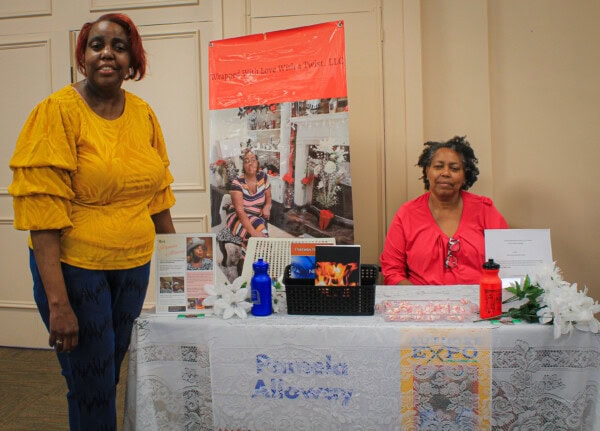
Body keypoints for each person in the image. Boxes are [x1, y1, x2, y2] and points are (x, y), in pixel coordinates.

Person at [7, 13, 176, 431]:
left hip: (133, 266)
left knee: (107, 373)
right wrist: (59, 305)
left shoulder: (143, 114)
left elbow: (158, 196)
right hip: (76, 270)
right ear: (82, 55)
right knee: (91, 381)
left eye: (119, 46)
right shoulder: (55, 113)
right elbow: (42, 215)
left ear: (131, 59)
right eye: (96, 45)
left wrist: (189, 270)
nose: (107, 54)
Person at [380, 136, 508, 285]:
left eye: (454, 168)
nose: (445, 173)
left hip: (479, 302)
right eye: (438, 166)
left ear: (465, 176)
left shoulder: (485, 210)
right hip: (422, 304)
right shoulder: (407, 213)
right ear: (427, 171)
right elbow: (392, 271)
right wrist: (419, 299)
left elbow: (507, 263)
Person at [224, 149, 272, 252]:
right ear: (243, 166)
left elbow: (268, 197)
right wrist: (254, 233)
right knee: (259, 235)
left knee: (257, 237)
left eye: (253, 160)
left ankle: (246, 260)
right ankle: (253, 262)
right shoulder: (237, 183)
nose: (250, 163)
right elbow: (240, 211)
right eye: (246, 161)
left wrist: (267, 206)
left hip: (255, 216)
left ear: (257, 162)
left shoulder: (263, 177)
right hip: (237, 216)